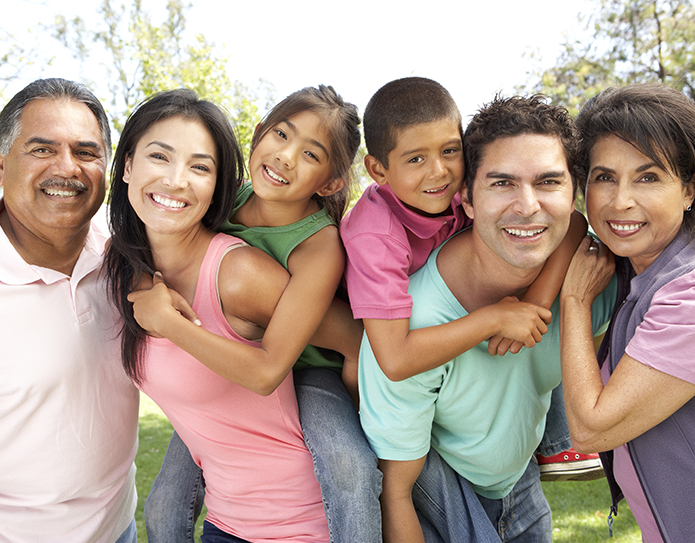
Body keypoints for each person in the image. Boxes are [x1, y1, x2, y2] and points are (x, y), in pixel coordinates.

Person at [358, 94, 618, 543]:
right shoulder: (417, 321)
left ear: (573, 194)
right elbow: (395, 493)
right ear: (466, 200)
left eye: (549, 182)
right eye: (502, 184)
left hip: (521, 487)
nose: (528, 205)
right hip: (440, 502)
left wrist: (556, 299)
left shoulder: (590, 277)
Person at [106, 88, 345, 542]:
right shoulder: (122, 266)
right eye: (160, 157)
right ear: (127, 167)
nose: (177, 180)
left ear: (216, 185)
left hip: (302, 524)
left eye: (200, 166)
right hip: (225, 521)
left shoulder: (242, 273)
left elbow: (353, 339)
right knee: (161, 511)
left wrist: (170, 324)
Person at [0, 78, 139, 542]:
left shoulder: (128, 260)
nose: (67, 168)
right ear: (1, 164)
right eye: (42, 150)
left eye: (86, 151)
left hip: (119, 528)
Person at [560, 83, 695, 543]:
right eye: (603, 177)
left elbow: (593, 429)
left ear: (689, 190)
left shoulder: (689, 295)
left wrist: (575, 304)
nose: (620, 201)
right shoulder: (635, 275)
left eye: (648, 177)